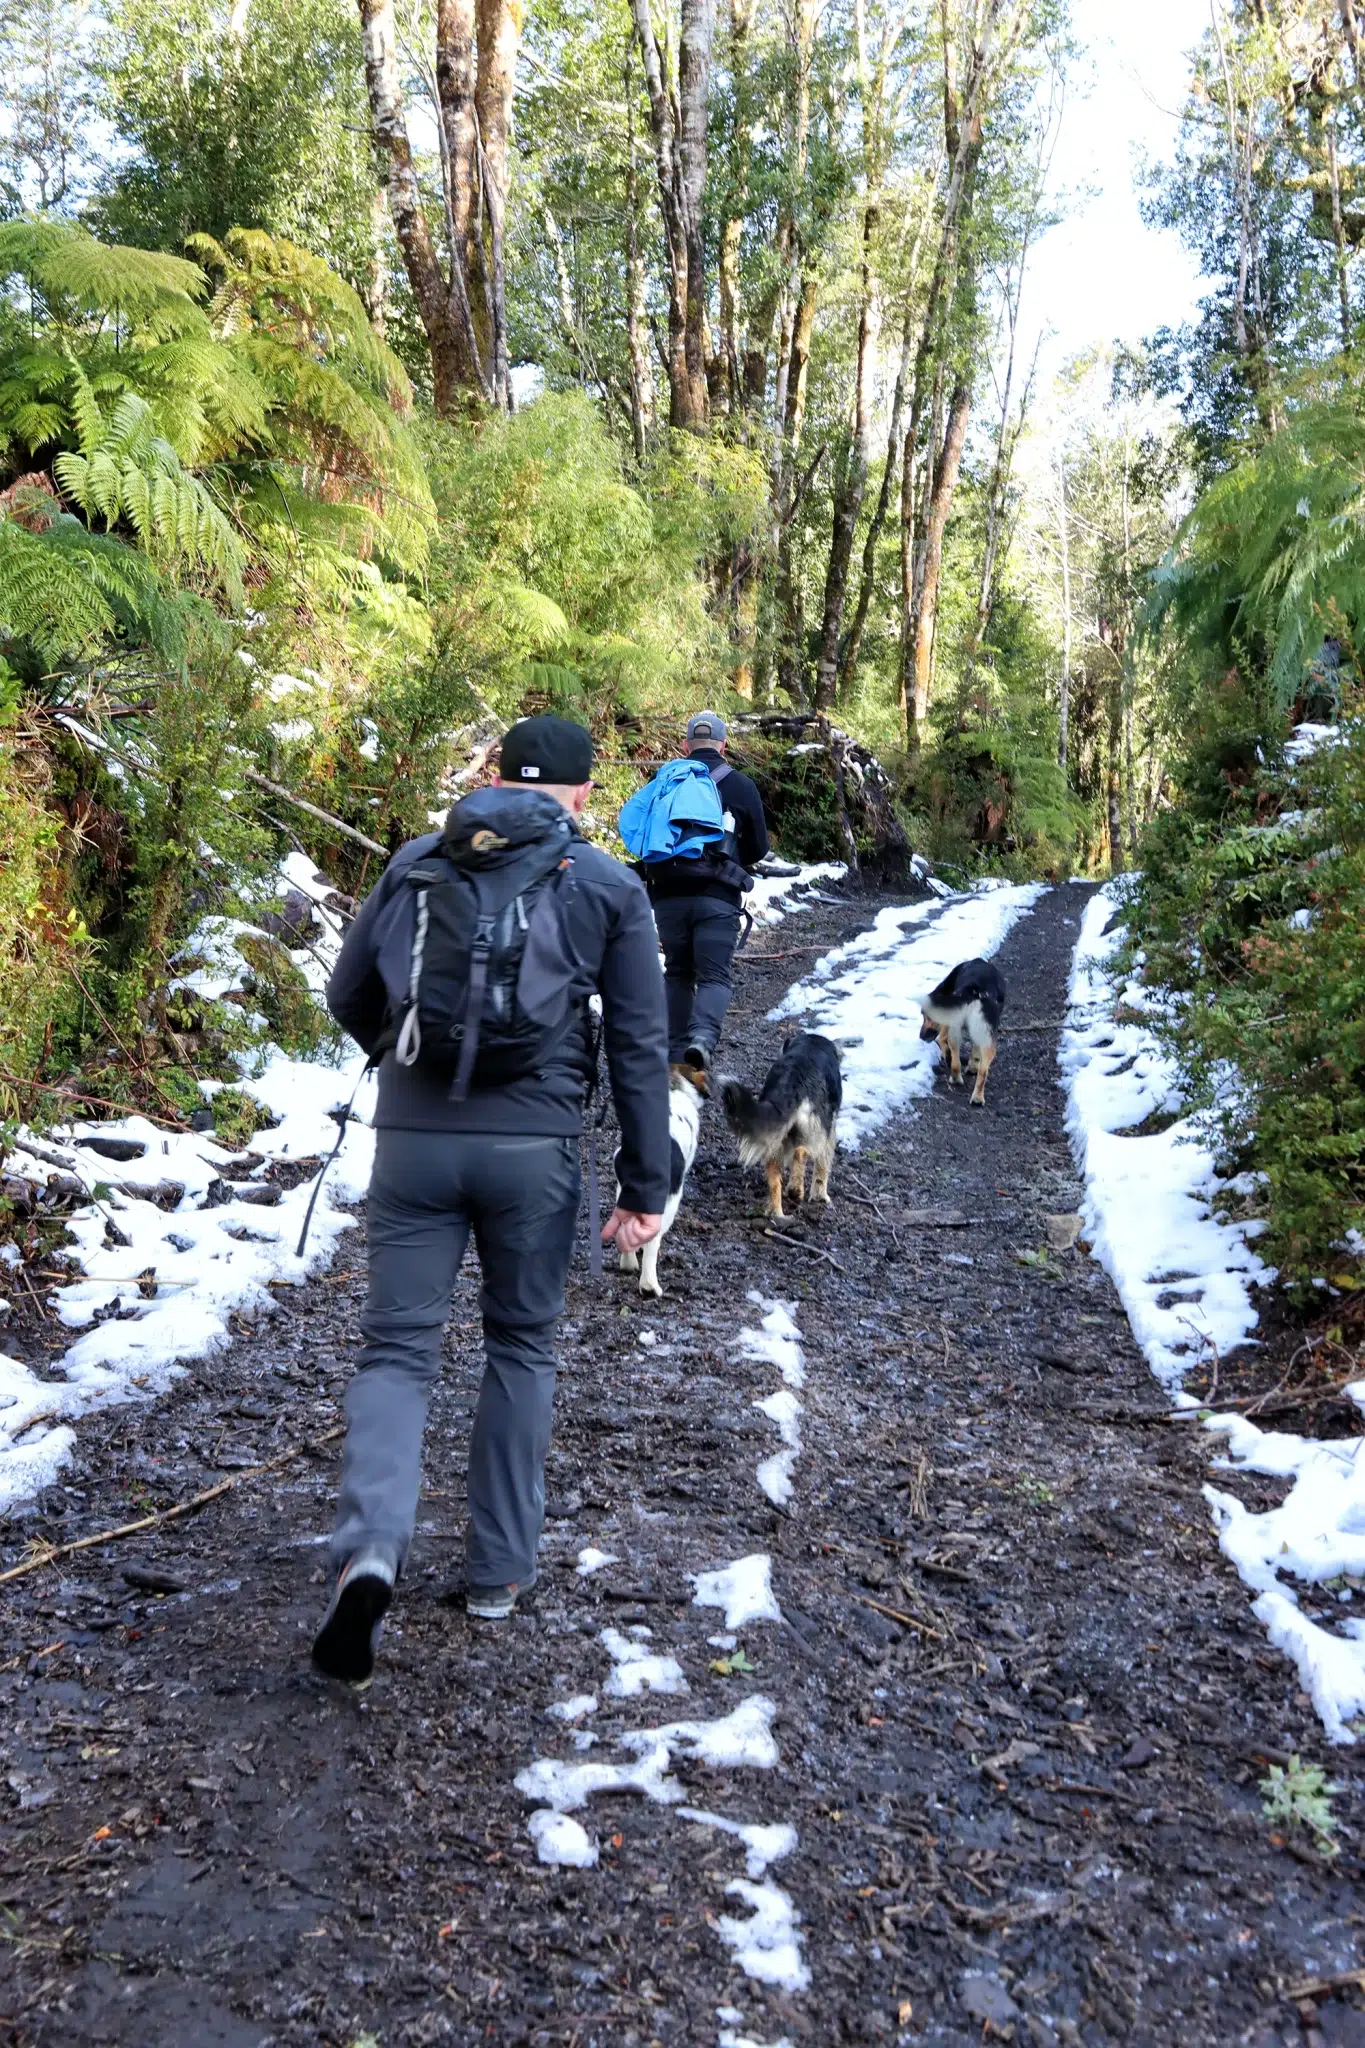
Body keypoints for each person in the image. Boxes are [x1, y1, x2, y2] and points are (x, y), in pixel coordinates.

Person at [312, 714, 668, 1687]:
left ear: (498, 773)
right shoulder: (604, 883)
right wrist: (645, 1185)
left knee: (397, 1350)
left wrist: (411, 1067)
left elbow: (349, 994)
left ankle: (371, 1549)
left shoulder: (420, 859)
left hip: (414, 1147)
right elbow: (639, 1043)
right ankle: (498, 1572)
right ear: (586, 794)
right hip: (535, 1152)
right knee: (521, 1344)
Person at [646, 710, 769, 1069]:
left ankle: (672, 1053)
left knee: (678, 972)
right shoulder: (741, 786)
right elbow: (759, 847)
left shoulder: (664, 783)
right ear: (724, 746)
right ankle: (701, 1039)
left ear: (685, 745)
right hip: (718, 897)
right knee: (714, 975)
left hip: (667, 896)